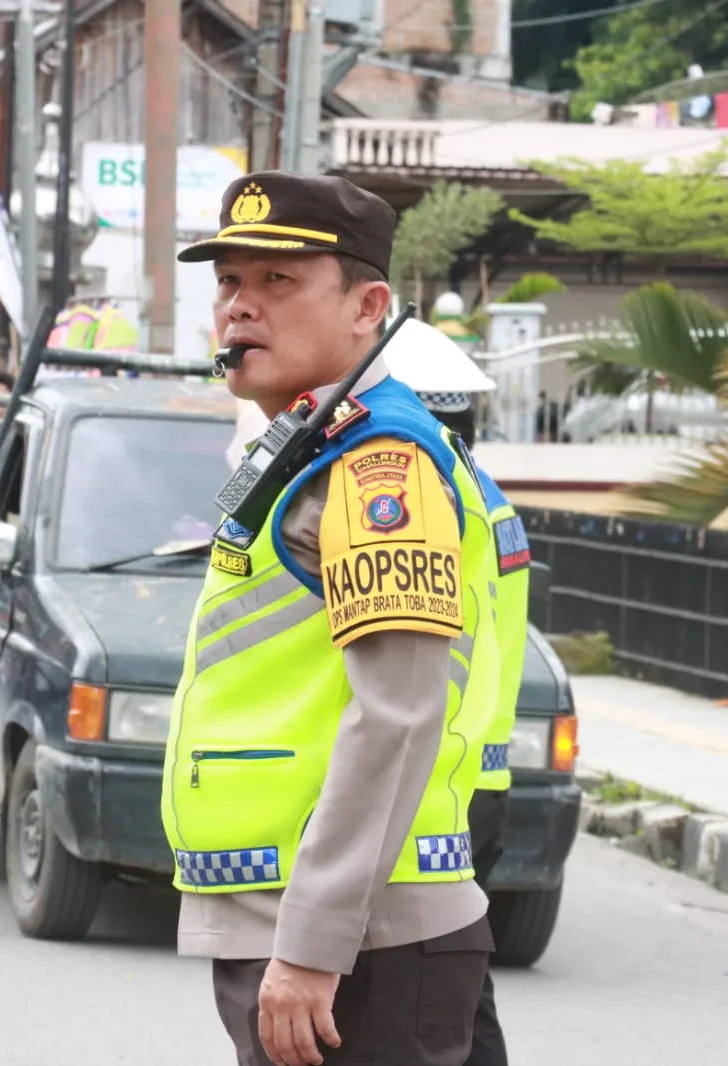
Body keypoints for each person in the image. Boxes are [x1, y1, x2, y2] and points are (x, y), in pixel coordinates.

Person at [162, 170, 501, 1066]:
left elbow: (397, 713)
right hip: (328, 926)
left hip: (353, 942)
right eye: (229, 281)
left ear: (369, 307)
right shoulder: (310, 446)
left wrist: (313, 945)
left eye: (279, 282)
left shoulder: (373, 465)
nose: (241, 308)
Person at [413, 392, 526, 1066]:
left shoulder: (438, 498)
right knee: (461, 974)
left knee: (435, 984)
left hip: (436, 773)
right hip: (484, 768)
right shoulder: (492, 501)